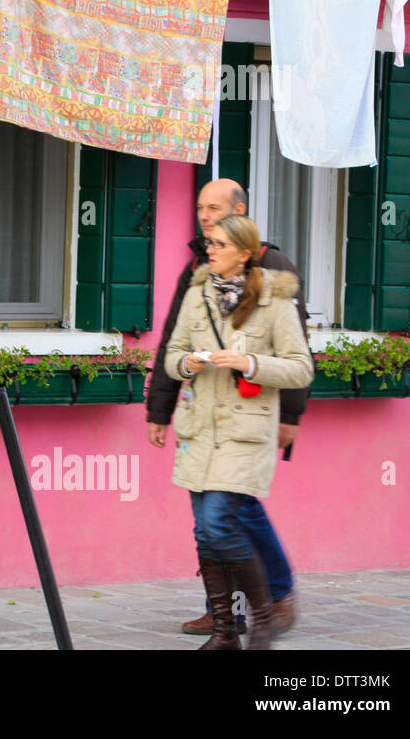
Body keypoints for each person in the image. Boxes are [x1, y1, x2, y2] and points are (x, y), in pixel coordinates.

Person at [146, 178, 307, 637]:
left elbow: (299, 351)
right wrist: (160, 409)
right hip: (204, 418)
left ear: (238, 211)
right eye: (199, 207)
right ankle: (227, 616)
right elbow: (172, 343)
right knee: (214, 519)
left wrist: (291, 416)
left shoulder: (272, 268)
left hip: (249, 418)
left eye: (213, 207)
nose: (202, 215)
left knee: (229, 512)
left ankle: (274, 597)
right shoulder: (198, 271)